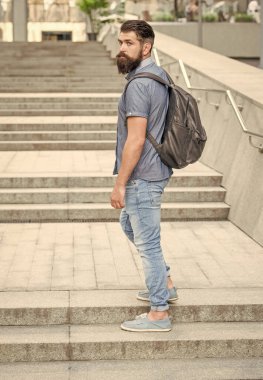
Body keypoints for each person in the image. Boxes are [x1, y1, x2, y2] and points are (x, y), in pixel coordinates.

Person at [110, 20, 178, 332]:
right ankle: (164, 282)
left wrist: (120, 183)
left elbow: (136, 140)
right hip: (156, 170)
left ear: (146, 47)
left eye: (128, 43)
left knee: (148, 244)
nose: (120, 49)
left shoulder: (139, 84)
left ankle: (159, 312)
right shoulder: (158, 75)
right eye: (120, 42)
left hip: (143, 176)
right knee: (129, 225)